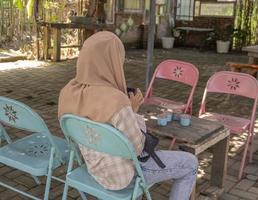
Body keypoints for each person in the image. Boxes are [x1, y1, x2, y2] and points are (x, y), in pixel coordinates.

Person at [58, 31, 198, 200]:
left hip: (92, 166)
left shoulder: (67, 91)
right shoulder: (116, 101)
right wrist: (132, 110)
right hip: (122, 175)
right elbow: (137, 148)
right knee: (190, 163)